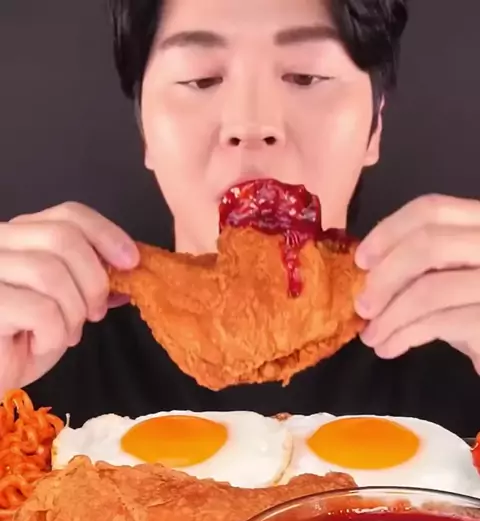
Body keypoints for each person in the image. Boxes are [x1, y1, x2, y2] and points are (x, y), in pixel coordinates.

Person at [0, 0, 479, 436]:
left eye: (305, 76)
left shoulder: (461, 346)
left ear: (375, 126)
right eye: (201, 80)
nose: (251, 125)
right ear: (145, 130)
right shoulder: (36, 354)